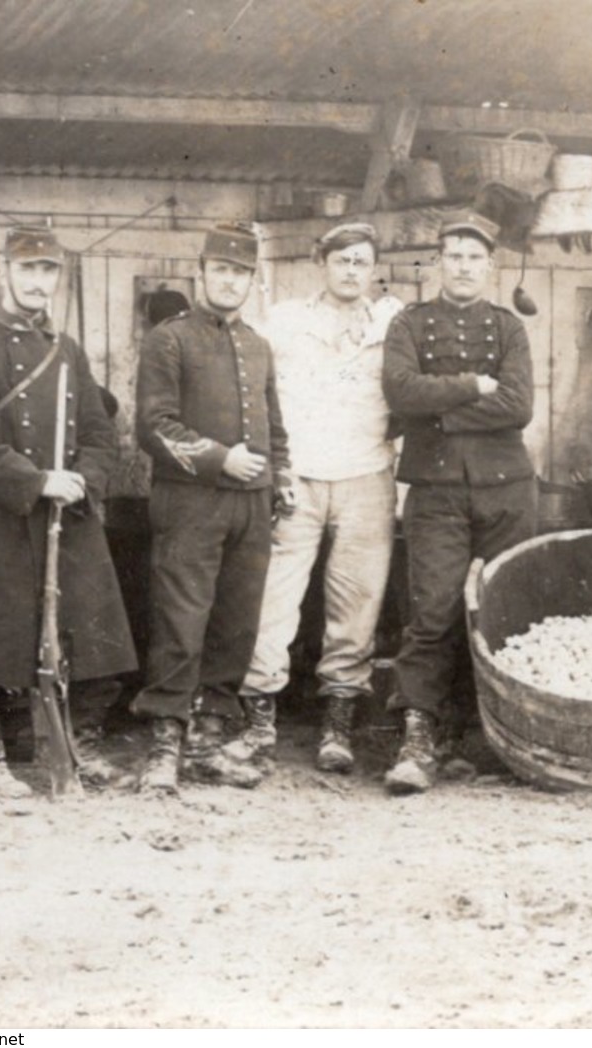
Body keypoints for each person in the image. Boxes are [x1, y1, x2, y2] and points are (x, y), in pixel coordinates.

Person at [0, 225, 138, 797]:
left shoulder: (67, 352)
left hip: (65, 514)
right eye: (29, 270)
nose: (39, 281)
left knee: (90, 626)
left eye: (48, 271)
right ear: (5, 273)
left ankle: (76, 744)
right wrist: (37, 479)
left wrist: (82, 481)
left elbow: (99, 432)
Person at [227, 222, 401, 773]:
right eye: (341, 260)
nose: (351, 271)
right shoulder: (285, 322)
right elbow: (252, 387)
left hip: (367, 475)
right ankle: (258, 723)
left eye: (361, 262)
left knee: (357, 606)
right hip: (297, 476)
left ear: (373, 269)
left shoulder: (392, 323)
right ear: (320, 264)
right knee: (274, 600)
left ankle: (338, 726)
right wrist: (273, 465)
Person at [382, 210, 535, 795]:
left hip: (507, 489)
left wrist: (437, 413)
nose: (464, 267)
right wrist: (473, 387)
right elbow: (399, 390)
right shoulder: (410, 324)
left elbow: (519, 405)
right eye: (454, 256)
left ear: (489, 266)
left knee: (502, 610)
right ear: (438, 263)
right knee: (434, 611)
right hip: (436, 489)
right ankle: (419, 737)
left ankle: (486, 739)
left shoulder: (509, 328)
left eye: (474, 257)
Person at [133, 222, 290, 792]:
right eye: (220, 270)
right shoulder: (168, 339)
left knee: (235, 624)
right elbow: (153, 427)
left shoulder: (258, 346)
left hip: (252, 506)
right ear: (201, 274)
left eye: (240, 272)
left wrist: (283, 477)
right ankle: (165, 743)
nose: (230, 281)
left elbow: (274, 429)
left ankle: (209, 738)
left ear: (252, 280)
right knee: (182, 622)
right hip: (190, 505)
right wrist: (221, 459)